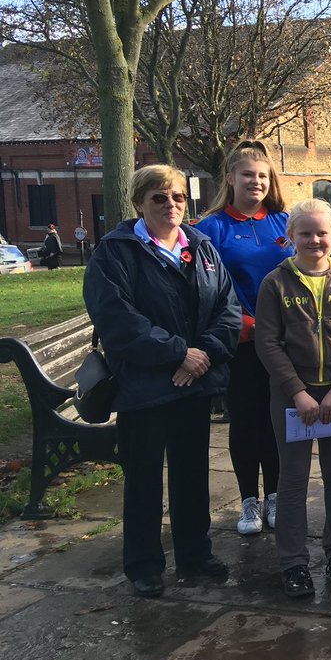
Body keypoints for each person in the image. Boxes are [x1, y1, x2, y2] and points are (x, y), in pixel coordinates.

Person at [84, 165, 241, 597]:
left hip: (194, 383)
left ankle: (194, 552)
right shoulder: (117, 252)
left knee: (192, 474)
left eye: (176, 196)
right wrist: (178, 353)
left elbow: (227, 310)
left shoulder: (203, 247)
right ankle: (144, 564)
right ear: (138, 203)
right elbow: (117, 319)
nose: (170, 205)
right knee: (144, 479)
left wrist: (202, 355)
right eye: (158, 198)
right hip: (144, 388)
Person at [255, 199, 331, 597]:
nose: (314, 240)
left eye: (322, 233)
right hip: (292, 398)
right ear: (291, 237)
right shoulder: (275, 283)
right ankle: (293, 562)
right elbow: (267, 343)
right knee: (293, 480)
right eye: (305, 233)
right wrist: (297, 393)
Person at [196, 140, 292, 537]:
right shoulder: (211, 228)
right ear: (231, 178)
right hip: (240, 341)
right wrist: (244, 322)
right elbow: (208, 287)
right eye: (248, 174)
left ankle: (275, 496)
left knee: (277, 421)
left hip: (285, 341)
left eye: (263, 176)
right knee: (245, 420)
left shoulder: (284, 222)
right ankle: (248, 500)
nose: (256, 181)